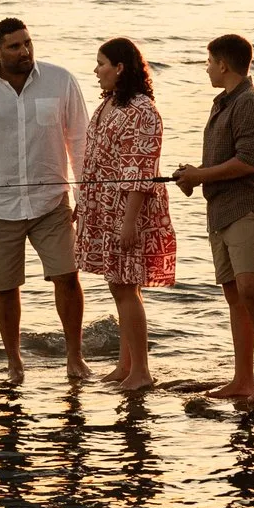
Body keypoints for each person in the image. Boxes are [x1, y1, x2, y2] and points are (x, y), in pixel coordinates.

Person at [0, 17, 90, 383]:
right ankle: (14, 363)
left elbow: (80, 142)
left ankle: (75, 358)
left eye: (27, 43)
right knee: (5, 287)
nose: (24, 51)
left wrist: (83, 197)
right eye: (14, 46)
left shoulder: (60, 80)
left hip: (51, 201)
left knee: (68, 277)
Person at [173, 33, 254, 406]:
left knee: (252, 287)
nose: (206, 68)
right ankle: (242, 379)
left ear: (223, 64)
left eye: (208, 62)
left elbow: (250, 161)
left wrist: (200, 175)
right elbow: (227, 159)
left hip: (251, 206)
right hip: (222, 210)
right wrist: (194, 175)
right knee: (234, 294)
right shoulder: (223, 103)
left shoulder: (249, 103)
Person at [77, 37, 177, 392]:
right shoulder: (110, 105)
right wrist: (83, 204)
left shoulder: (141, 110)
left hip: (127, 208)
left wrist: (129, 222)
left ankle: (142, 372)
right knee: (118, 285)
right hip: (104, 207)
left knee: (126, 287)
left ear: (119, 68)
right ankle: (125, 365)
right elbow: (95, 158)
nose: (96, 70)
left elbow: (140, 169)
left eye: (101, 63)